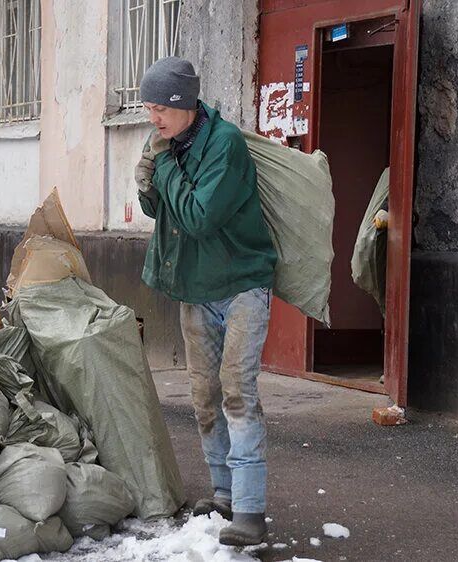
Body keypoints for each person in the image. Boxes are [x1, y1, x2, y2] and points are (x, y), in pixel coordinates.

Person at [134, 57, 278, 546]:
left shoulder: (224, 144)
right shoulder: (169, 142)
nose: (152, 118)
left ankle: (251, 512)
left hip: (241, 286)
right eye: (147, 107)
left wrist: (163, 167)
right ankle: (224, 495)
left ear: (185, 104)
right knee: (204, 399)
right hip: (196, 288)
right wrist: (145, 181)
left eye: (159, 108)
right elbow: (159, 207)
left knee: (238, 392)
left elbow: (198, 215)